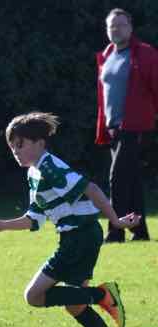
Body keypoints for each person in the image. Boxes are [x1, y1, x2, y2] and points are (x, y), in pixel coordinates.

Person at [0, 112, 140, 327]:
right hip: (80, 237)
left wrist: (115, 221)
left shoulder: (50, 167)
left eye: (20, 144)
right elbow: (34, 219)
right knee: (75, 304)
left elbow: (90, 188)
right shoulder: (35, 173)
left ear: (40, 143)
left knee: (33, 296)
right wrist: (3, 225)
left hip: (79, 238)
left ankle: (101, 295)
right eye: (12, 146)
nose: (15, 151)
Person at [95, 8, 157, 242]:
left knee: (118, 177)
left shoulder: (145, 54)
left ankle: (116, 231)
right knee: (132, 181)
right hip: (114, 128)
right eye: (112, 25)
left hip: (135, 126)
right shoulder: (107, 54)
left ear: (130, 28)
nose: (116, 29)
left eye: (121, 25)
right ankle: (140, 231)